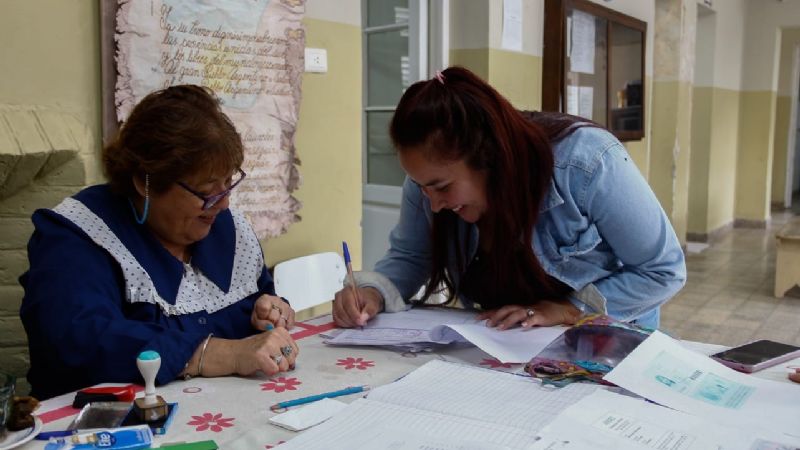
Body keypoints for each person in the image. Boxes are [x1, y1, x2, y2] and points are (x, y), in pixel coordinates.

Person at [333, 66, 686, 331]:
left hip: (604, 337)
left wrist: (569, 309)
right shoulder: (427, 185)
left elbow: (662, 271)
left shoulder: (586, 162)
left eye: (442, 188)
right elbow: (411, 257)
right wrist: (373, 291)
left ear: (488, 158)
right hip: (508, 344)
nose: (434, 204)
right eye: (423, 187)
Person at [20, 85, 298, 399]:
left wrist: (267, 312)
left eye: (228, 183)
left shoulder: (225, 228)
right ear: (145, 182)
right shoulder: (77, 236)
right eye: (206, 191)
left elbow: (260, 297)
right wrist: (214, 353)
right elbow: (79, 340)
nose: (223, 203)